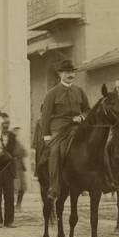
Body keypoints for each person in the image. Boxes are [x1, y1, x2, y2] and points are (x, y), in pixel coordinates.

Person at [37, 59, 90, 201]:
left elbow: (87, 110)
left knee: (92, 145)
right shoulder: (52, 93)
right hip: (59, 128)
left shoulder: (79, 91)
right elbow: (46, 116)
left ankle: (91, 180)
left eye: (72, 72)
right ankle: (54, 187)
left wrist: (82, 117)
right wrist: (46, 136)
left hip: (77, 127)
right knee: (55, 151)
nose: (70, 75)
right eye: (66, 72)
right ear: (60, 74)